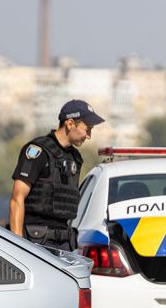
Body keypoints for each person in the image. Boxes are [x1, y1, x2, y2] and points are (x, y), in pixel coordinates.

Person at [9, 99, 105, 250]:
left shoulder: (75, 158)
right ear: (70, 124)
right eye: (87, 129)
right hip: (36, 239)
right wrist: (17, 245)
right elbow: (17, 198)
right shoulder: (37, 151)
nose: (89, 136)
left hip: (63, 241)